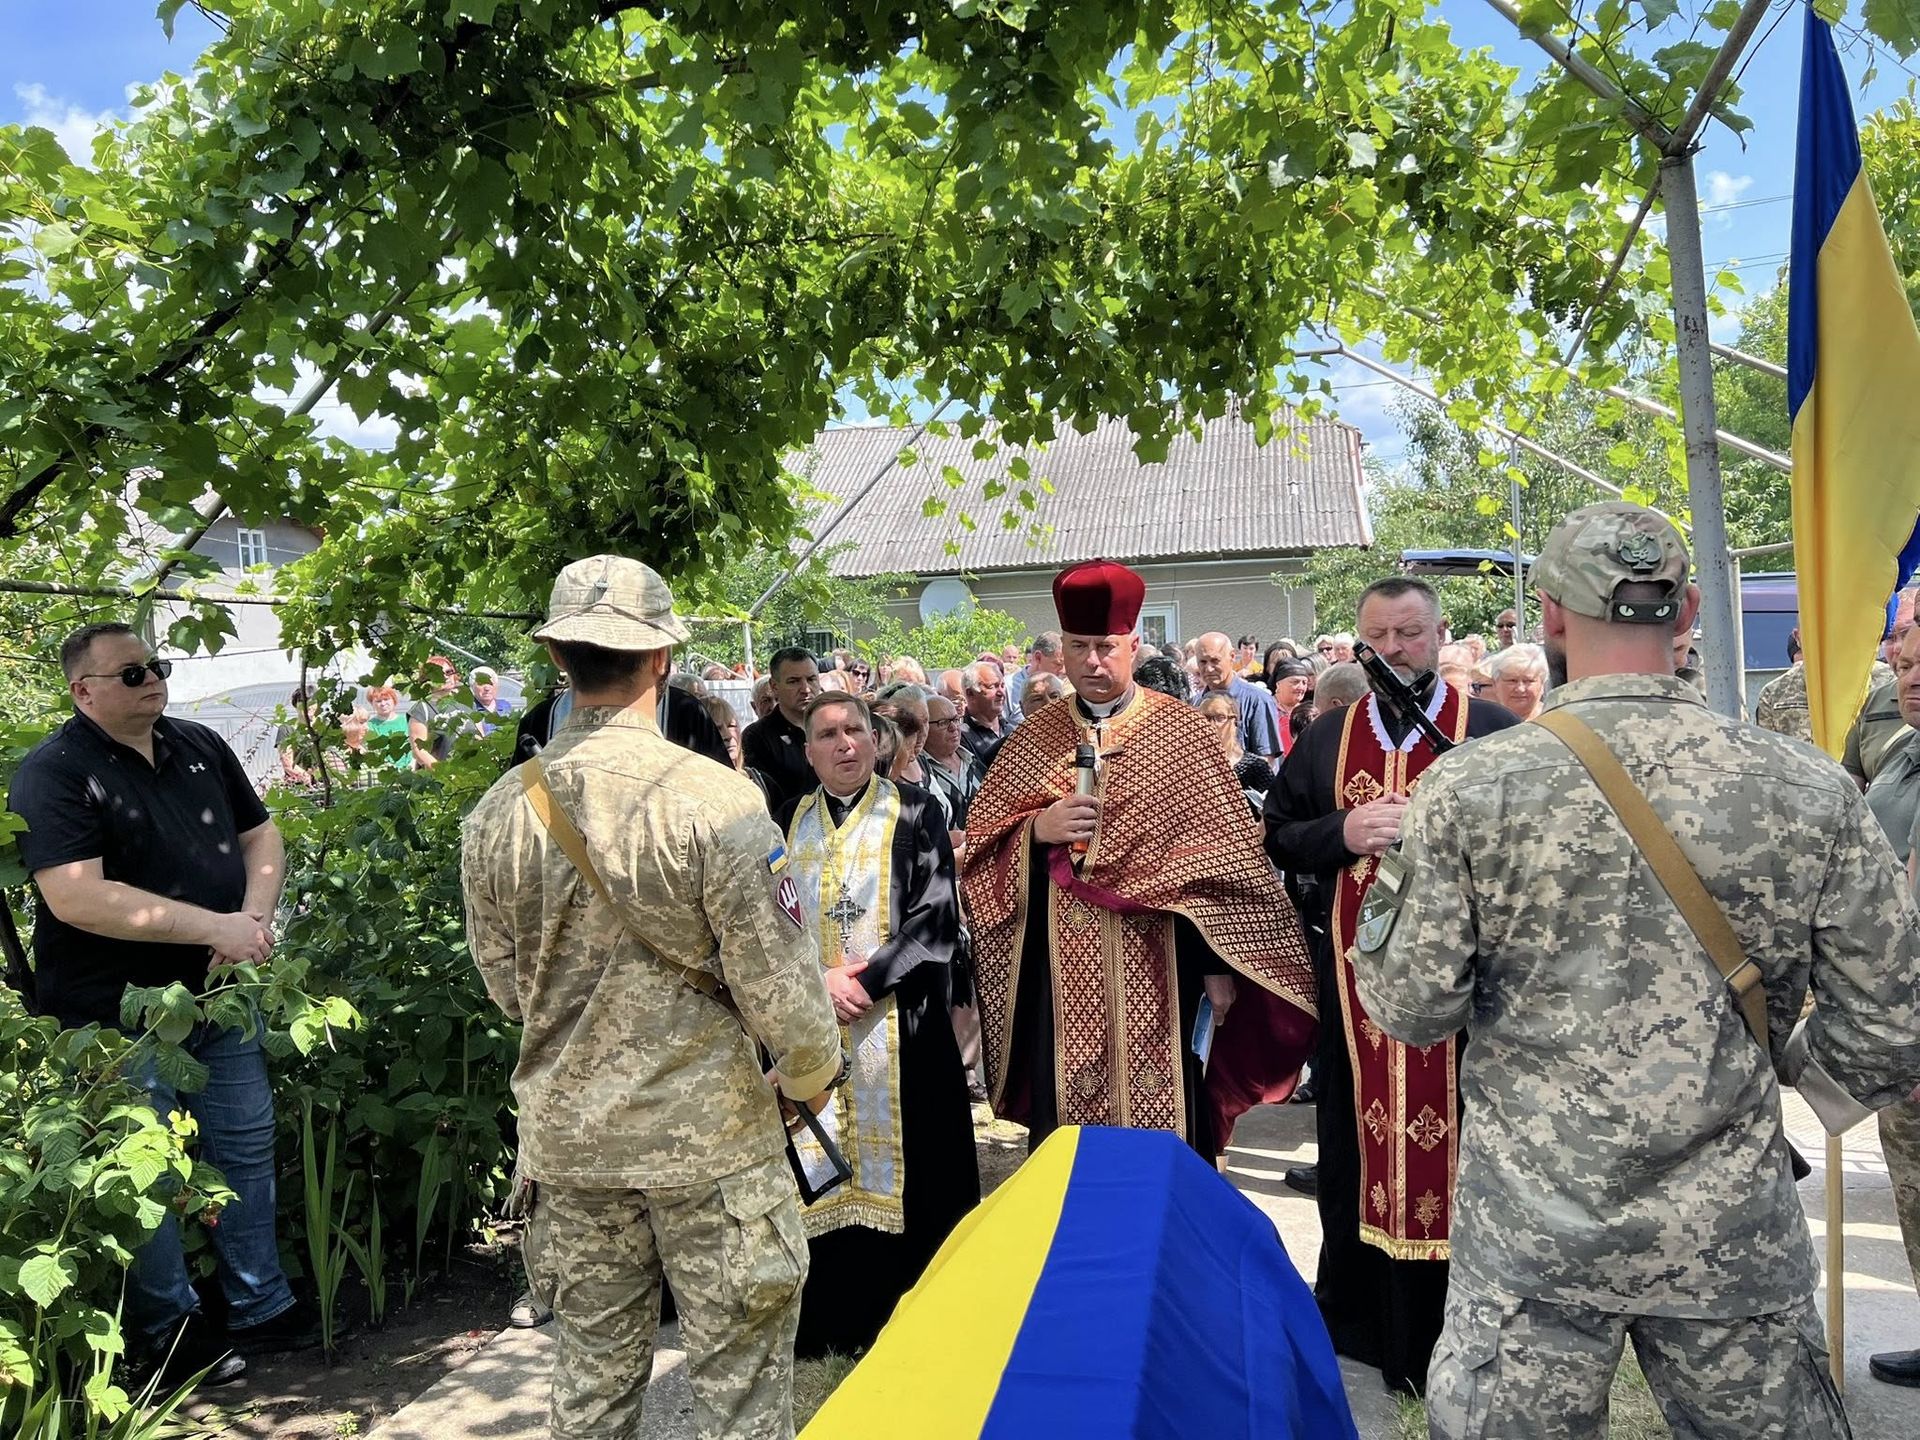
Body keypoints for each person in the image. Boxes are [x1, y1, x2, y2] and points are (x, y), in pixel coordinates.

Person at [1360, 502, 1920, 1436]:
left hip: (1535, 1242)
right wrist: (1791, 1072)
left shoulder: (1468, 788)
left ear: (1548, 614)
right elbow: (1893, 1026)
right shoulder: (1805, 784)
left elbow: (1411, 1006)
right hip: (1730, 1235)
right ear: (1689, 609)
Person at [460, 556, 844, 1440]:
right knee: (741, 1398)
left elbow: (507, 992)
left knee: (590, 1390)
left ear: (558, 656)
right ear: (663, 657)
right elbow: (783, 989)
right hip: (714, 1147)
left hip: (571, 1147)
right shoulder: (718, 802)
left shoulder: (499, 812)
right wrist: (808, 1078)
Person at [7, 623, 315, 1387]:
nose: (153, 681)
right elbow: (76, 896)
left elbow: (261, 836)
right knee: (144, 1169)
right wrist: (216, 927)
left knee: (243, 1146)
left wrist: (251, 921)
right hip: (117, 1016)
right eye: (132, 673)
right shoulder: (56, 773)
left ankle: (260, 1305)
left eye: (157, 666)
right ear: (83, 691)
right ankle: (168, 1333)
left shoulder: (197, 744)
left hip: (220, 994)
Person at [962, 559, 1317, 1159]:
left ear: (1132, 645)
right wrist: (1036, 830)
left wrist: (1218, 967)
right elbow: (978, 856)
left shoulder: (1181, 732)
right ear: (1062, 651)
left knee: (1167, 1125)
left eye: (1106, 646)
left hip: (1166, 960)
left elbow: (1224, 864)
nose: (1093, 662)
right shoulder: (1030, 740)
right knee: (1069, 1141)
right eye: (1079, 647)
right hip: (1058, 966)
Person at [1262, 577, 1518, 1396]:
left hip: (1474, 1005)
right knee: (1353, 1143)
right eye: (1378, 636)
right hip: (1356, 993)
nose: (1394, 650)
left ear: (1439, 634)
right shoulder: (1326, 739)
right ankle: (1363, 1321)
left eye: (1409, 633)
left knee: (1476, 1146)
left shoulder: (1493, 731)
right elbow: (1277, 836)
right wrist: (1344, 830)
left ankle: (1474, 1321)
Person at [776, 693, 979, 1356]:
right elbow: (768, 925)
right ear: (809, 751)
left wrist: (862, 983)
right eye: (828, 734)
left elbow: (936, 920)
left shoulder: (915, 811)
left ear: (875, 739)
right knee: (821, 1162)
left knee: (920, 1168)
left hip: (902, 1025)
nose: (844, 744)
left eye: (855, 731)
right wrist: (818, 981)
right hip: (814, 1025)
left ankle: (916, 1313)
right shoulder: (786, 820)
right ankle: (832, 1320)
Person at [738, 647, 823, 812]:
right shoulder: (756, 737)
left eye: (811, 679)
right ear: (774, 686)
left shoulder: (835, 727)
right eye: (794, 681)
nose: (806, 689)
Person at [1191, 631, 1282, 760]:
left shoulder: (1258, 702)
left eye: (1215, 661)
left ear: (1232, 656)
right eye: (1203, 662)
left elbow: (1266, 761)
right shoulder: (1193, 705)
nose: (1209, 668)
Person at [1198, 692, 1271, 816]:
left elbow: (1272, 812)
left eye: (1220, 717)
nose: (1211, 725)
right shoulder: (1187, 766)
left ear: (1234, 721)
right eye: (1204, 718)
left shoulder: (1255, 767)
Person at [922, 695, 979, 829]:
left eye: (955, 720)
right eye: (943, 722)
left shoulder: (973, 760)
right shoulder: (922, 773)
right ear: (924, 728)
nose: (953, 727)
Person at [407, 655, 462, 767]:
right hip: (441, 773)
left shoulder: (465, 701)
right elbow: (419, 752)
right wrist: (445, 773)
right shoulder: (422, 709)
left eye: (449, 672)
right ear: (428, 679)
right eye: (440, 674)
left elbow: (479, 735)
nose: (446, 677)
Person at [1001, 631, 1064, 730]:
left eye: (1054, 696)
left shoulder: (1062, 686)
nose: (1063, 671)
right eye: (1058, 664)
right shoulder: (1007, 687)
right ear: (1038, 657)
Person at [1487, 642, 1548, 721]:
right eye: (1512, 681)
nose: (1520, 689)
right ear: (1495, 684)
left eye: (1528, 681)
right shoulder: (1483, 722)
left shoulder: (1556, 720)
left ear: (1542, 685)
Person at [957, 661, 1006, 758]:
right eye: (992, 687)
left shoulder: (1012, 728)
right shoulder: (960, 737)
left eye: (1002, 686)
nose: (1001, 693)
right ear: (970, 693)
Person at [1267, 658, 1314, 757]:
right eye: (1295, 682)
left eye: (1304, 683)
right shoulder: (1266, 709)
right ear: (1278, 684)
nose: (1301, 687)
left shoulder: (1308, 712)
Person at [365, 683, 414, 767]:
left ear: (394, 700)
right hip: (384, 768)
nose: (383, 704)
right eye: (378, 701)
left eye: (386, 699)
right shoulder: (369, 726)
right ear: (372, 703)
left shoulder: (408, 721)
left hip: (409, 768)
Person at [466, 666, 514, 736]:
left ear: (496, 686)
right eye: (481, 684)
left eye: (490, 683)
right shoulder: (469, 710)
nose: (487, 688)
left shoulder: (506, 706)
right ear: (472, 687)